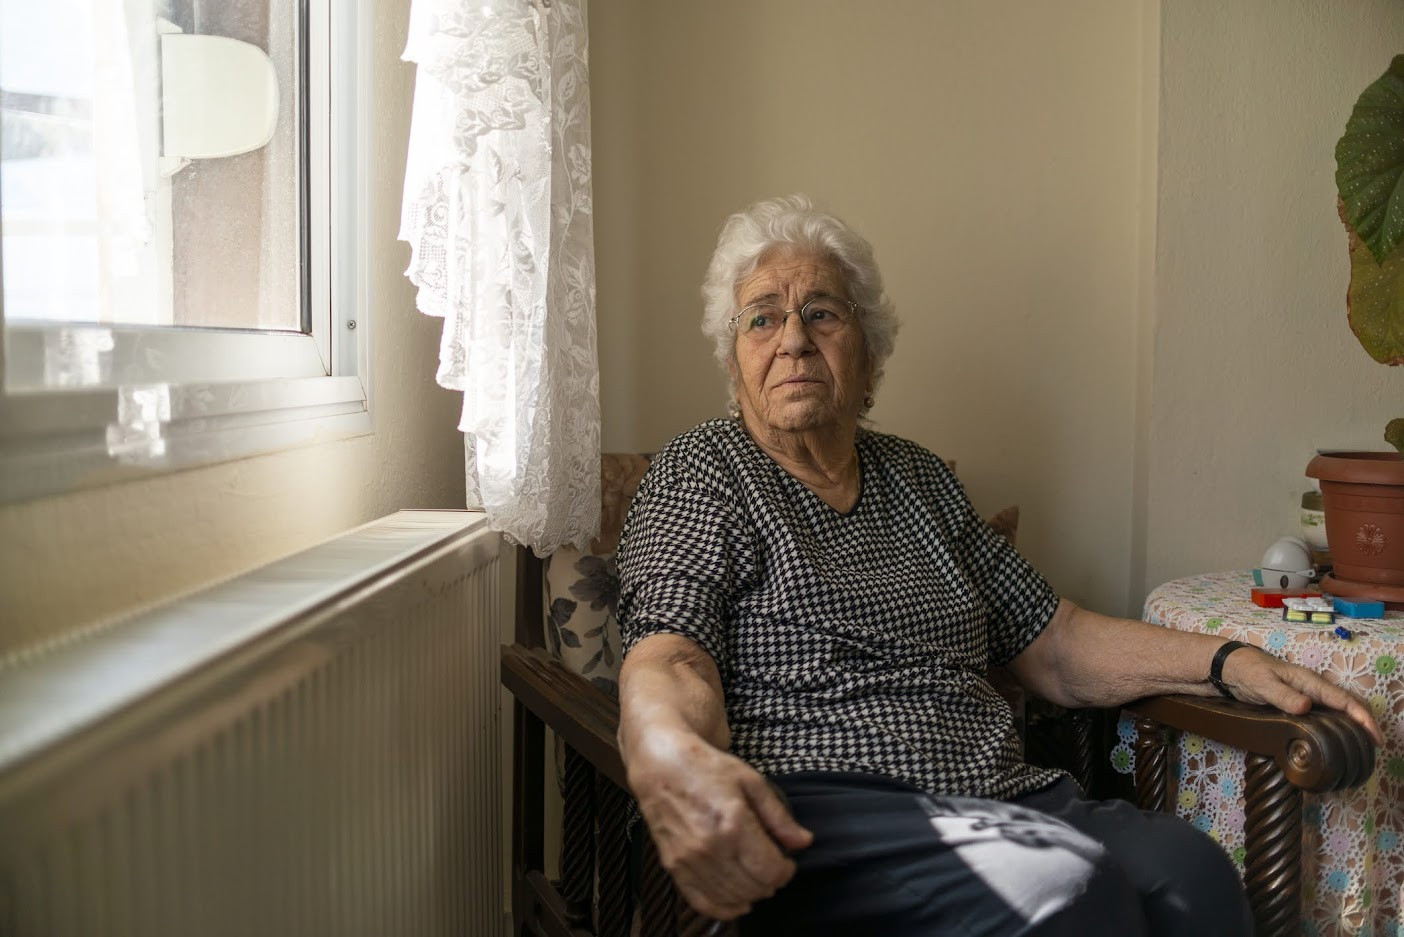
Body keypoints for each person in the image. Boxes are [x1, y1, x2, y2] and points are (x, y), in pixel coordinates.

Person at [613, 195, 1383, 936]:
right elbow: (672, 651)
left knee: (1194, 875)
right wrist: (667, 749)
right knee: (1067, 891)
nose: (792, 338)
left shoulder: (919, 478)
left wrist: (1228, 661)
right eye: (762, 317)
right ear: (734, 357)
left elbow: (1056, 640)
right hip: (827, 808)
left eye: (822, 311)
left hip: (1001, 793)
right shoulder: (704, 468)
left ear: (868, 349)